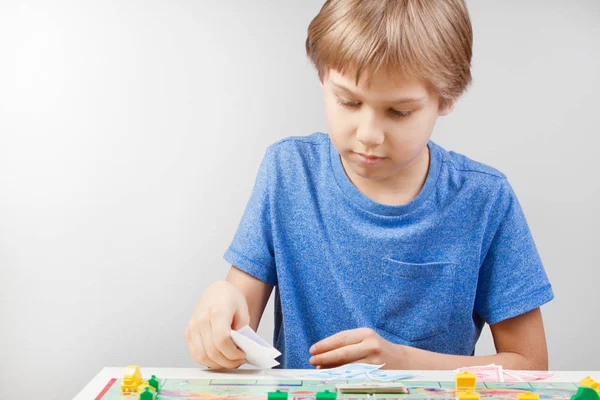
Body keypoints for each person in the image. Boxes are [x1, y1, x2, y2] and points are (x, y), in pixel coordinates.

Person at [185, 0, 553, 370]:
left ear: (448, 98)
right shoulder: (287, 172)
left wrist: (402, 360)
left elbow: (531, 364)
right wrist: (220, 306)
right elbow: (235, 325)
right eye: (348, 101)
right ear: (322, 78)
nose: (369, 135)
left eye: (399, 112)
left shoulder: (485, 199)